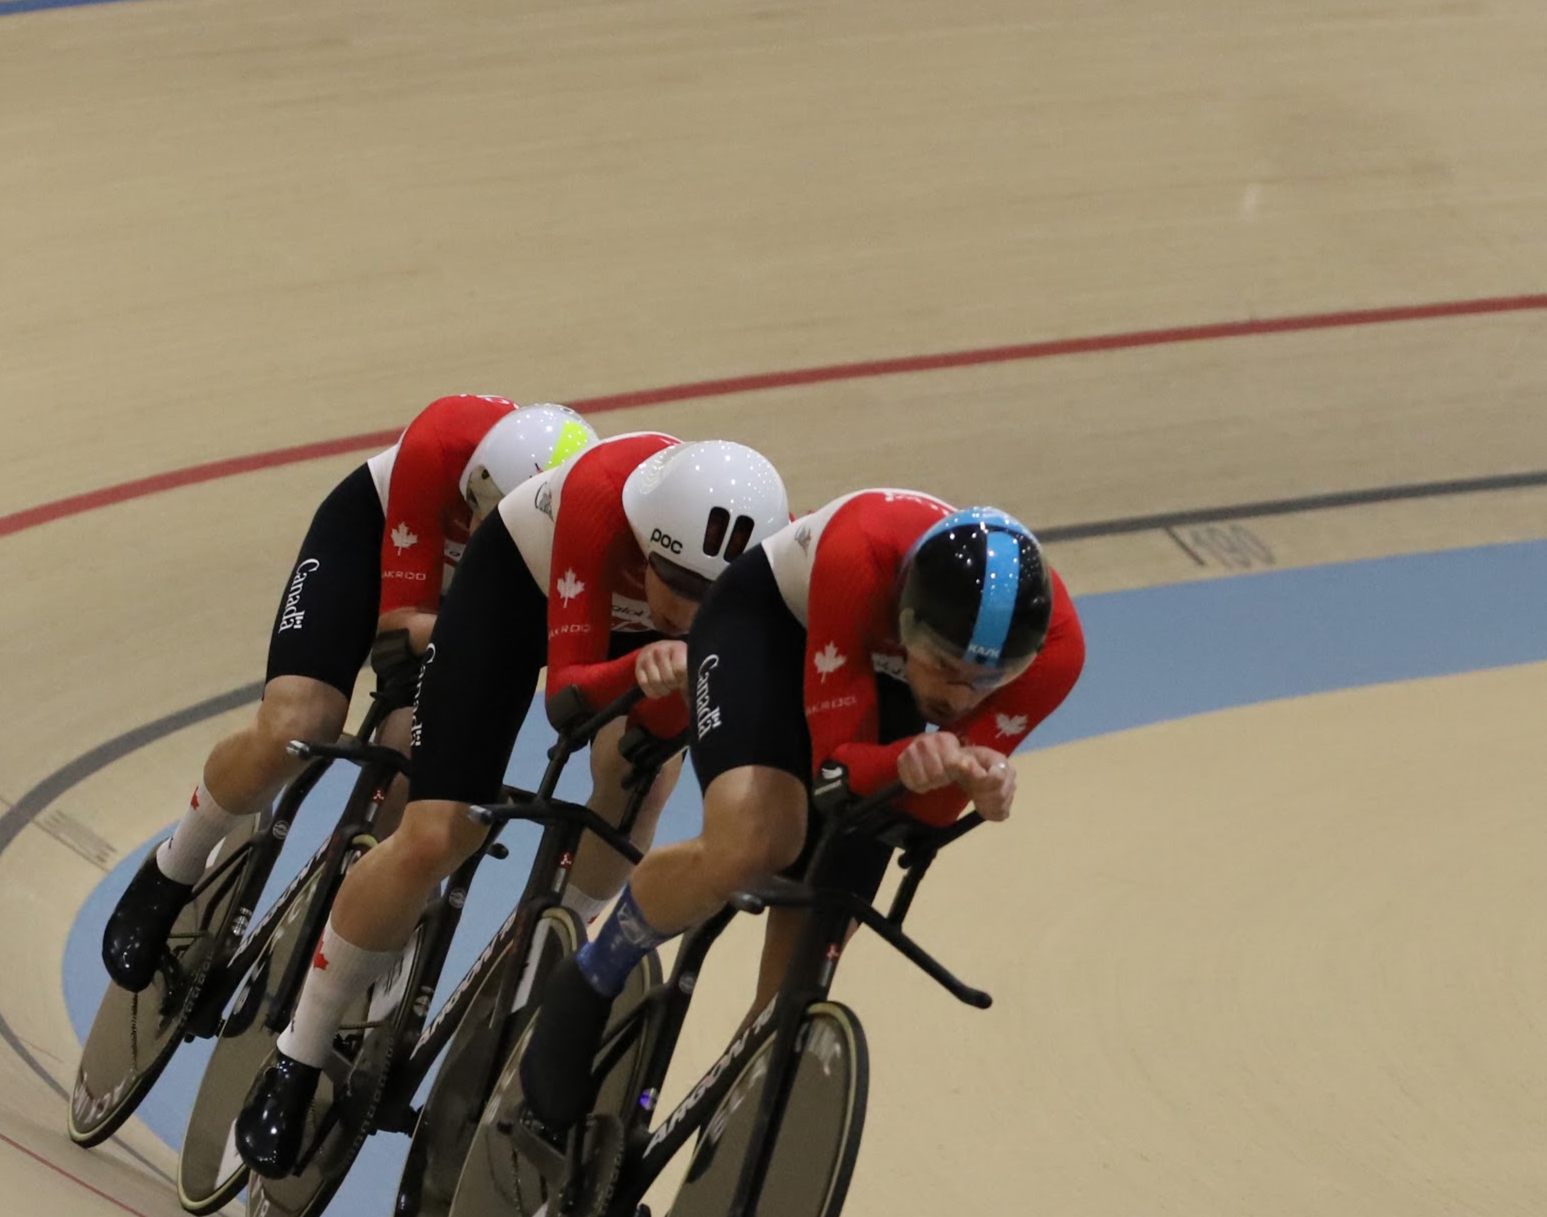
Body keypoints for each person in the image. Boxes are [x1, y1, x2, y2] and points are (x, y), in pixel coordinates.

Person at [234, 433, 791, 1176]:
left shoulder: (758, 582)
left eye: (710, 595)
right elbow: (566, 699)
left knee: (644, 777)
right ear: (645, 540)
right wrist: (642, 667)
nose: (691, 609)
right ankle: (295, 1058)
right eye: (676, 582)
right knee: (435, 834)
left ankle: (555, 946)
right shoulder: (598, 505)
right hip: (518, 593)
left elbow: (670, 724)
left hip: (627, 638)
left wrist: (666, 700)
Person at [518, 493, 1087, 1132]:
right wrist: (910, 760)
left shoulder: (1058, 650)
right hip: (771, 627)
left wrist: (974, 778)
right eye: (946, 667)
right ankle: (595, 972)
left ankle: (719, 1148)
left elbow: (923, 809)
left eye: (988, 680)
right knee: (758, 840)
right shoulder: (859, 551)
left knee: (804, 968)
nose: (959, 695)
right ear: (907, 617)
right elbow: (835, 768)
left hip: (881, 672)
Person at [101, 396, 597, 988]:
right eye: (483, 515)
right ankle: (172, 867)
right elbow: (399, 628)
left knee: (421, 781)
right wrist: (485, 634)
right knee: (295, 726)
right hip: (376, 544)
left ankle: (351, 928)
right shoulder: (438, 446)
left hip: (483, 601)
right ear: (476, 480)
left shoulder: (576, 523)